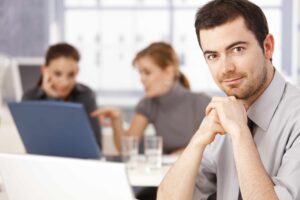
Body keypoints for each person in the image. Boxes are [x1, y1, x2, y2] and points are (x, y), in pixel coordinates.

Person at [157, 0, 300, 200]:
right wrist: (198, 140)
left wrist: (240, 132)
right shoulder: (224, 114)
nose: (225, 68)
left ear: (267, 47)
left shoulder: (295, 117)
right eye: (213, 56)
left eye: (237, 49)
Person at [92, 42, 211, 155]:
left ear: (168, 72)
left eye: (147, 73)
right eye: (140, 73)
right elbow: (126, 150)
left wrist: (187, 152)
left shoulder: (201, 102)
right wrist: (116, 119)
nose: (141, 79)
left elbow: (217, 147)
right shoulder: (148, 104)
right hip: (167, 170)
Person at [22, 43, 102, 148]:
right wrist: (52, 99)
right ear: (44, 70)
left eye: (71, 75)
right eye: (58, 74)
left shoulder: (86, 96)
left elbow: (96, 147)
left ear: (77, 72)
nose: (65, 82)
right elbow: (40, 146)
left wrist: (55, 99)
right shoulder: (30, 99)